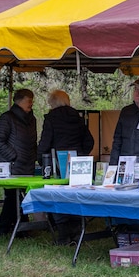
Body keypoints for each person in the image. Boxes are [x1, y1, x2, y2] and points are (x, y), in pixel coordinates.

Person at [37, 89, 95, 244]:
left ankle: (63, 234)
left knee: (58, 196)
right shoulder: (78, 118)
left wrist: (42, 160)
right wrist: (81, 154)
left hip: (58, 163)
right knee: (75, 196)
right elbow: (90, 140)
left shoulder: (51, 119)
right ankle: (77, 231)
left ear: (53, 103)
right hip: (78, 164)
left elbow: (45, 142)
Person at [0, 88, 37, 235]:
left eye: (32, 99)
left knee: (20, 197)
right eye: (28, 99)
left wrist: (33, 157)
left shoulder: (32, 119)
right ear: (19, 100)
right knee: (13, 197)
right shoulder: (7, 117)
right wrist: (14, 156)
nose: (31, 103)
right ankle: (5, 228)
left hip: (27, 166)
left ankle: (21, 228)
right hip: (10, 166)